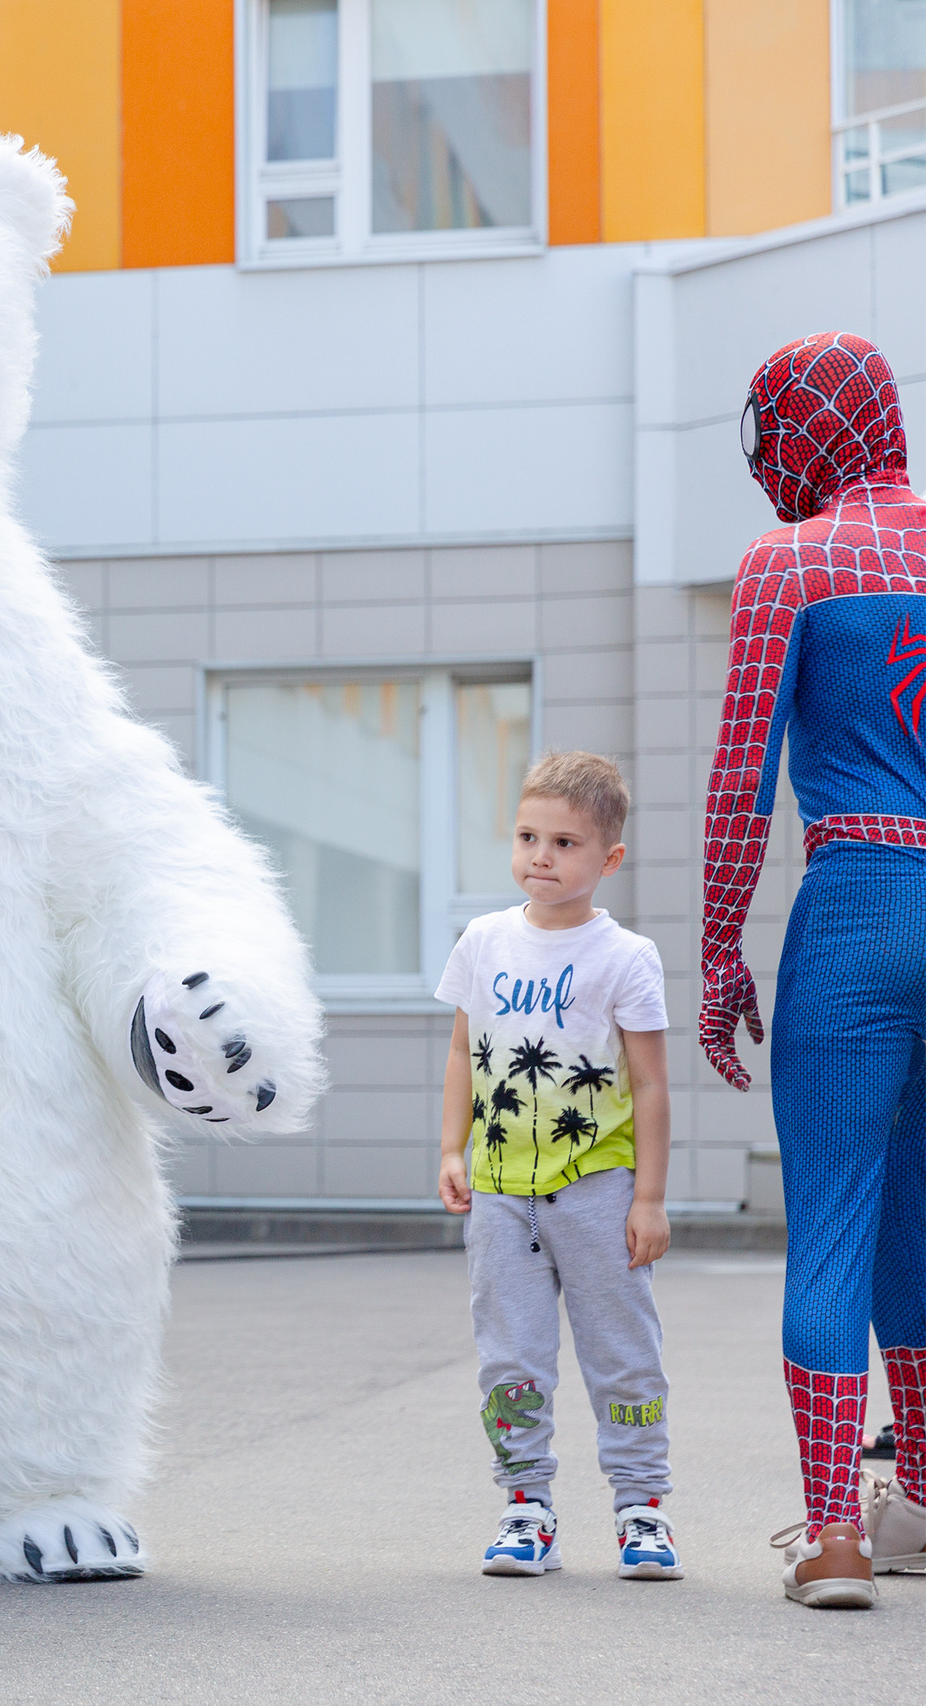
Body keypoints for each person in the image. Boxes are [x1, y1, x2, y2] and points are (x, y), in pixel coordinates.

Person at [699, 331, 926, 1608]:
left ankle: (837, 1532)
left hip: (854, 903)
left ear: (805, 426)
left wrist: (717, 947)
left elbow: (742, 781)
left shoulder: (790, 559)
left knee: (834, 1224)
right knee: (921, 1228)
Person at [434, 751, 677, 1583]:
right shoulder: (483, 941)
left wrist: (649, 1199)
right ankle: (525, 1508)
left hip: (599, 1192)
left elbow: (649, 1084)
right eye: (528, 836)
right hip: (502, 1194)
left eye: (565, 843)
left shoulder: (626, 956)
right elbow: (464, 1051)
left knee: (623, 1352)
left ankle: (643, 1509)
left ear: (608, 859)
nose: (541, 855)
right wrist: (450, 1149)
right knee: (512, 1354)